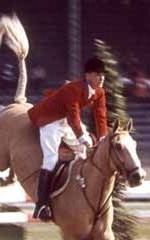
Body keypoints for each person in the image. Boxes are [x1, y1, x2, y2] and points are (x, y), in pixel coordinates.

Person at [28, 57, 108, 221]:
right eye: (98, 75)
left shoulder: (99, 92)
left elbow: (101, 116)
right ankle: (41, 205)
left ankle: (76, 193)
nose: (101, 78)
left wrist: (102, 139)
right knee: (51, 159)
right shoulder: (73, 89)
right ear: (88, 76)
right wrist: (81, 137)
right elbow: (74, 117)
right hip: (48, 118)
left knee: (84, 151)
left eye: (103, 75)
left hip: (64, 119)